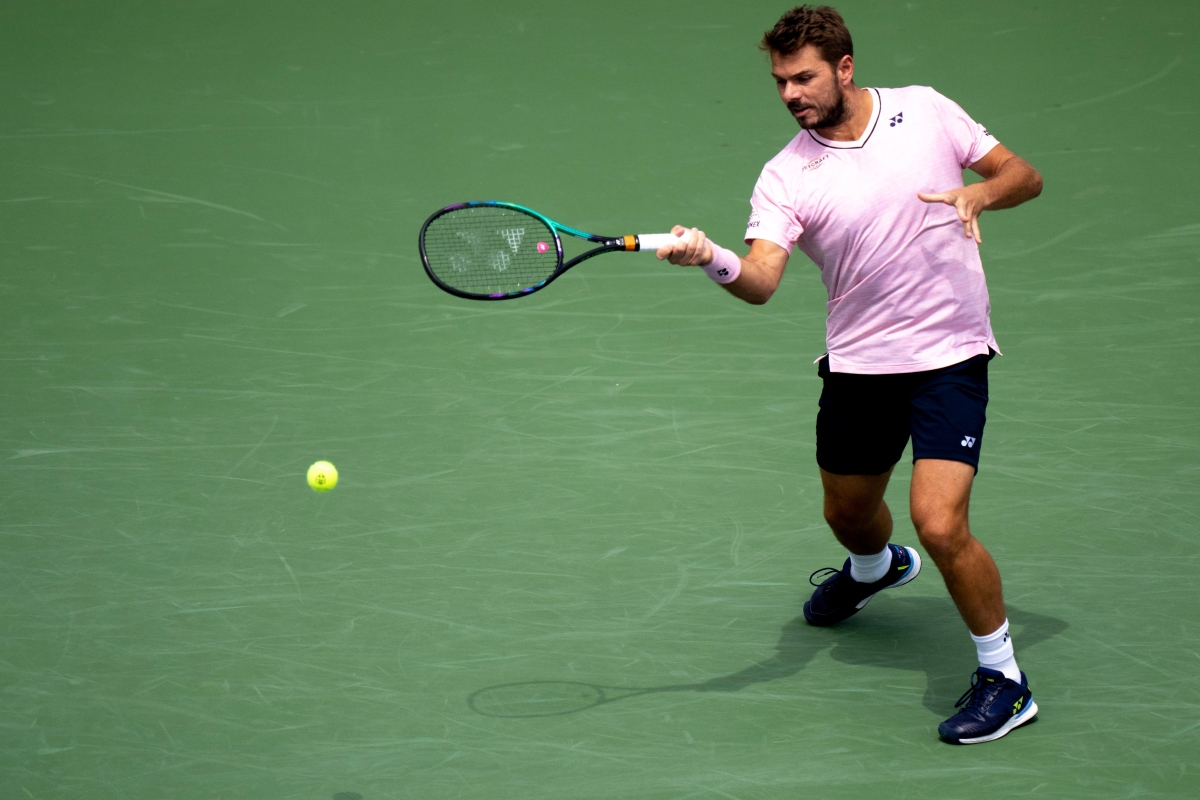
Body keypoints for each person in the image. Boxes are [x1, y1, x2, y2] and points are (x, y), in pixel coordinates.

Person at [658, 5, 1043, 744]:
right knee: (846, 515)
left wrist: (978, 193)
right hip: (859, 363)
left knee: (939, 520)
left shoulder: (924, 111)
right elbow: (762, 277)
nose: (790, 94)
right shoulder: (785, 175)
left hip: (948, 354)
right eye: (779, 81)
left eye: (803, 77)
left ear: (844, 68)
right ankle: (873, 569)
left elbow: (1021, 175)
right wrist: (709, 258)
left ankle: (1005, 678)